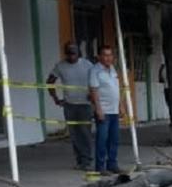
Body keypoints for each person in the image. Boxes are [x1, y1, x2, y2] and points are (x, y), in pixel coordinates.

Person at [47, 42, 94, 171]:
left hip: (85, 105)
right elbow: (50, 81)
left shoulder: (87, 65)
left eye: (74, 53)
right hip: (70, 105)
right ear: (65, 53)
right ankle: (80, 161)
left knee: (85, 133)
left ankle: (87, 161)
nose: (71, 56)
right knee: (74, 135)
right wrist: (56, 99)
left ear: (78, 53)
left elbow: (96, 79)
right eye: (69, 53)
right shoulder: (60, 66)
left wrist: (93, 95)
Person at [89, 45, 121, 175]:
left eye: (110, 55)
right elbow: (94, 90)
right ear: (99, 57)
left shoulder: (112, 69)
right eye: (105, 55)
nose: (108, 58)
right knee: (102, 139)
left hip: (114, 110)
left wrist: (121, 106)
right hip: (103, 110)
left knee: (114, 139)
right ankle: (100, 166)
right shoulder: (95, 70)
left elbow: (117, 89)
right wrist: (98, 109)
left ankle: (112, 164)